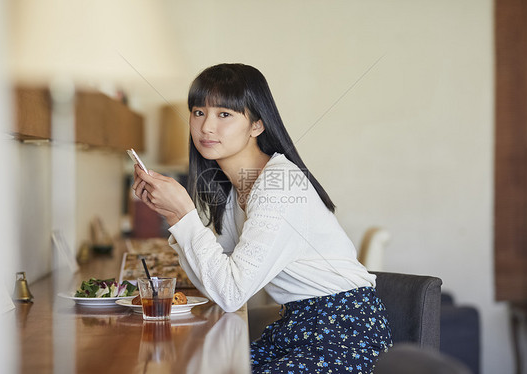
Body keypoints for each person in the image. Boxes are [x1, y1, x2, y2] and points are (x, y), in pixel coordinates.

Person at [132, 63, 393, 373]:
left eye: (224, 114)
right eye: (198, 112)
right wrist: (176, 215)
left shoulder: (278, 186)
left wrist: (186, 215)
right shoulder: (236, 188)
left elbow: (231, 293)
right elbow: (216, 281)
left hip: (342, 332)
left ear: (256, 124)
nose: (206, 127)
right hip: (297, 327)